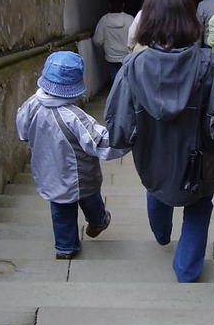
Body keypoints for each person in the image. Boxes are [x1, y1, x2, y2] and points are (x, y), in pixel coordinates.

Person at [105, 0, 214, 282]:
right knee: (199, 205)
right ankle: (187, 270)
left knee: (156, 188)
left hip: (152, 152)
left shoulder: (132, 66)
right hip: (199, 157)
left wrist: (121, 141)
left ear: (148, 21)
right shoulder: (210, 65)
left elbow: (119, 123)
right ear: (190, 19)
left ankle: (162, 234)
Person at [16, 51, 129, 259]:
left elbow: (23, 130)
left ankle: (65, 248)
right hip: (79, 174)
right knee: (91, 198)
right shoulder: (74, 117)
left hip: (47, 170)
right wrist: (129, 139)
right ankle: (98, 221)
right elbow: (101, 142)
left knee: (61, 209)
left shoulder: (31, 104)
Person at [93, 0, 134, 81]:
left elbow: (97, 41)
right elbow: (136, 38)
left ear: (109, 6)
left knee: (115, 81)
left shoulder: (104, 20)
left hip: (111, 58)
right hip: (127, 57)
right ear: (123, 5)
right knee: (128, 81)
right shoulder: (130, 19)